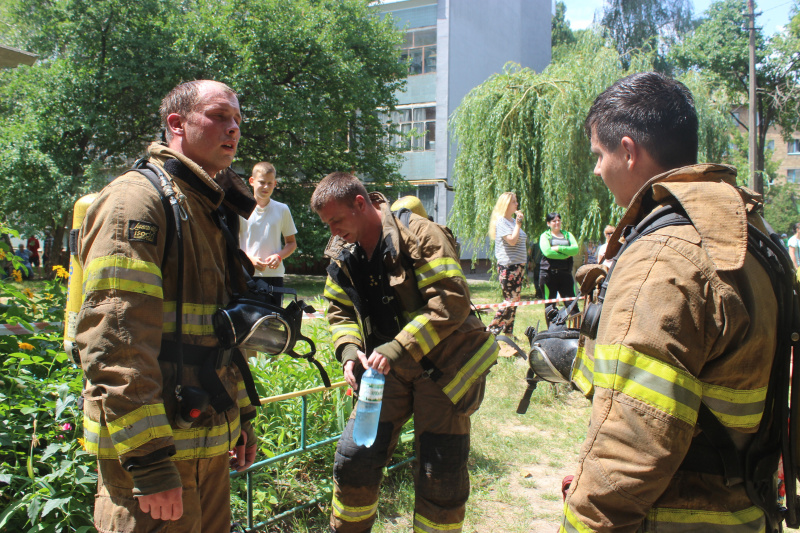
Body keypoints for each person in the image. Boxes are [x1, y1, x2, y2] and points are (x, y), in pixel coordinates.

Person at [561, 72, 779, 531]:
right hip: (742, 510)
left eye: (599, 156)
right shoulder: (746, 232)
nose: (596, 170)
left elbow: (632, 440)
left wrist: (583, 517)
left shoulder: (662, 259)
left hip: (672, 514)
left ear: (627, 150)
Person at [75, 80, 259, 532]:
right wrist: (152, 464)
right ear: (176, 124)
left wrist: (241, 417)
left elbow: (217, 335)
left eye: (237, 119)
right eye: (219, 116)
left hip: (207, 443)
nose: (233, 128)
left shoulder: (208, 206)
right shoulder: (136, 202)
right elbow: (115, 342)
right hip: (154, 459)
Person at [311, 172, 499, 533]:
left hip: (442, 370)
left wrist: (398, 347)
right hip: (385, 375)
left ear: (361, 204)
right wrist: (350, 351)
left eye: (336, 220)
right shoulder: (343, 254)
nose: (332, 231)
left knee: (440, 474)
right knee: (354, 461)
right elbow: (338, 309)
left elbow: (451, 302)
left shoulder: (422, 236)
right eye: (327, 224)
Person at [239, 161, 297, 307]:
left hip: (274, 276)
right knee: (249, 321)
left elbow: (291, 243)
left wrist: (279, 256)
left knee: (273, 322)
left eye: (270, 183)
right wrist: (248, 259)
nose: (266, 187)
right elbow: (230, 244)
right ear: (252, 181)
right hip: (246, 274)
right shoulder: (240, 208)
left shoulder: (282, 209)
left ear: (275, 184)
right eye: (262, 182)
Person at [487, 192, 527, 336]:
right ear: (506, 204)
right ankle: (491, 330)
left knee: (515, 301)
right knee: (510, 300)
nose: (517, 204)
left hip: (518, 266)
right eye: (514, 202)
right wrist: (518, 224)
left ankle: (508, 332)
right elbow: (512, 240)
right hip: (509, 267)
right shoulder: (502, 222)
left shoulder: (510, 221)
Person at [538, 212, 579, 323]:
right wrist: (566, 254)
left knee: (572, 304)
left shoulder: (568, 235)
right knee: (550, 305)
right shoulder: (545, 236)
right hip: (548, 275)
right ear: (548, 223)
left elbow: (575, 249)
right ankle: (552, 330)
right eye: (554, 221)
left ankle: (577, 330)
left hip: (565, 274)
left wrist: (558, 248)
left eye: (558, 220)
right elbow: (547, 252)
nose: (557, 223)